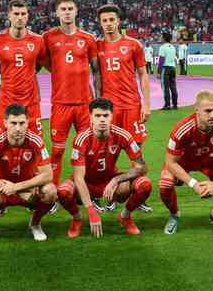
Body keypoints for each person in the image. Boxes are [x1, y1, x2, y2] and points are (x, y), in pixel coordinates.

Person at [57, 98, 152, 237]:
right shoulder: (81, 139)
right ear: (91, 117)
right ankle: (77, 219)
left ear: (111, 116)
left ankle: (125, 216)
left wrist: (117, 180)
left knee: (145, 184)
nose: (102, 119)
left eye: (105, 115)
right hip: (87, 184)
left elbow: (142, 168)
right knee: (63, 192)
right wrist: (90, 210)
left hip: (111, 183)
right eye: (97, 116)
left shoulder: (122, 135)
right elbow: (78, 177)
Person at [159, 90, 213, 234]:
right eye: (208, 111)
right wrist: (194, 184)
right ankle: (174, 215)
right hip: (183, 161)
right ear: (196, 110)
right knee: (165, 183)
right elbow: (170, 162)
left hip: (208, 158)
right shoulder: (182, 129)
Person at [0, 104, 56, 242]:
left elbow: (48, 175)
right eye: (13, 123)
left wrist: (17, 187)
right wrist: (9, 188)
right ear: (5, 123)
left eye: (22, 123)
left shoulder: (36, 141)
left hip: (27, 193)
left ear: (28, 122)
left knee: (50, 191)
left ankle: (35, 224)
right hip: (2, 192)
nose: (18, 128)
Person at [96, 4, 152, 212]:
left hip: (131, 106)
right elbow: (96, 77)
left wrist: (146, 104)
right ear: (100, 23)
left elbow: (143, 75)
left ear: (118, 21)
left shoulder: (133, 44)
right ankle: (110, 195)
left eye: (112, 20)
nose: (109, 24)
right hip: (109, 110)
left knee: (136, 152)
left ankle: (139, 195)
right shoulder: (97, 46)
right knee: (107, 154)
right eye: (104, 21)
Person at [42, 0, 100, 185]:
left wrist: (98, 100)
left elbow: (96, 70)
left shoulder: (88, 38)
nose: (67, 12)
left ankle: (91, 190)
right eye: (63, 9)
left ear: (76, 11)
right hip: (61, 104)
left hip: (85, 104)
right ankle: (54, 191)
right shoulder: (48, 38)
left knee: (89, 148)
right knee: (57, 150)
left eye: (70, 9)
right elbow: (46, 63)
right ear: (57, 12)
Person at [0, 0, 47, 136]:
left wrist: (28, 73)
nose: (20, 17)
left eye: (23, 14)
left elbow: (43, 63)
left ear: (28, 16)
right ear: (9, 15)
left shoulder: (38, 40)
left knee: (36, 141)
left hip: (31, 100)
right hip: (7, 99)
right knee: (1, 140)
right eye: (16, 13)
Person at [157, 31, 178, 110]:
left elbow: (161, 60)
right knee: (173, 87)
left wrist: (159, 72)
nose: (161, 38)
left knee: (165, 87)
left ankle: (167, 104)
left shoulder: (162, 47)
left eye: (162, 37)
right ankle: (175, 104)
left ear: (164, 38)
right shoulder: (172, 47)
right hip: (172, 68)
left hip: (166, 69)